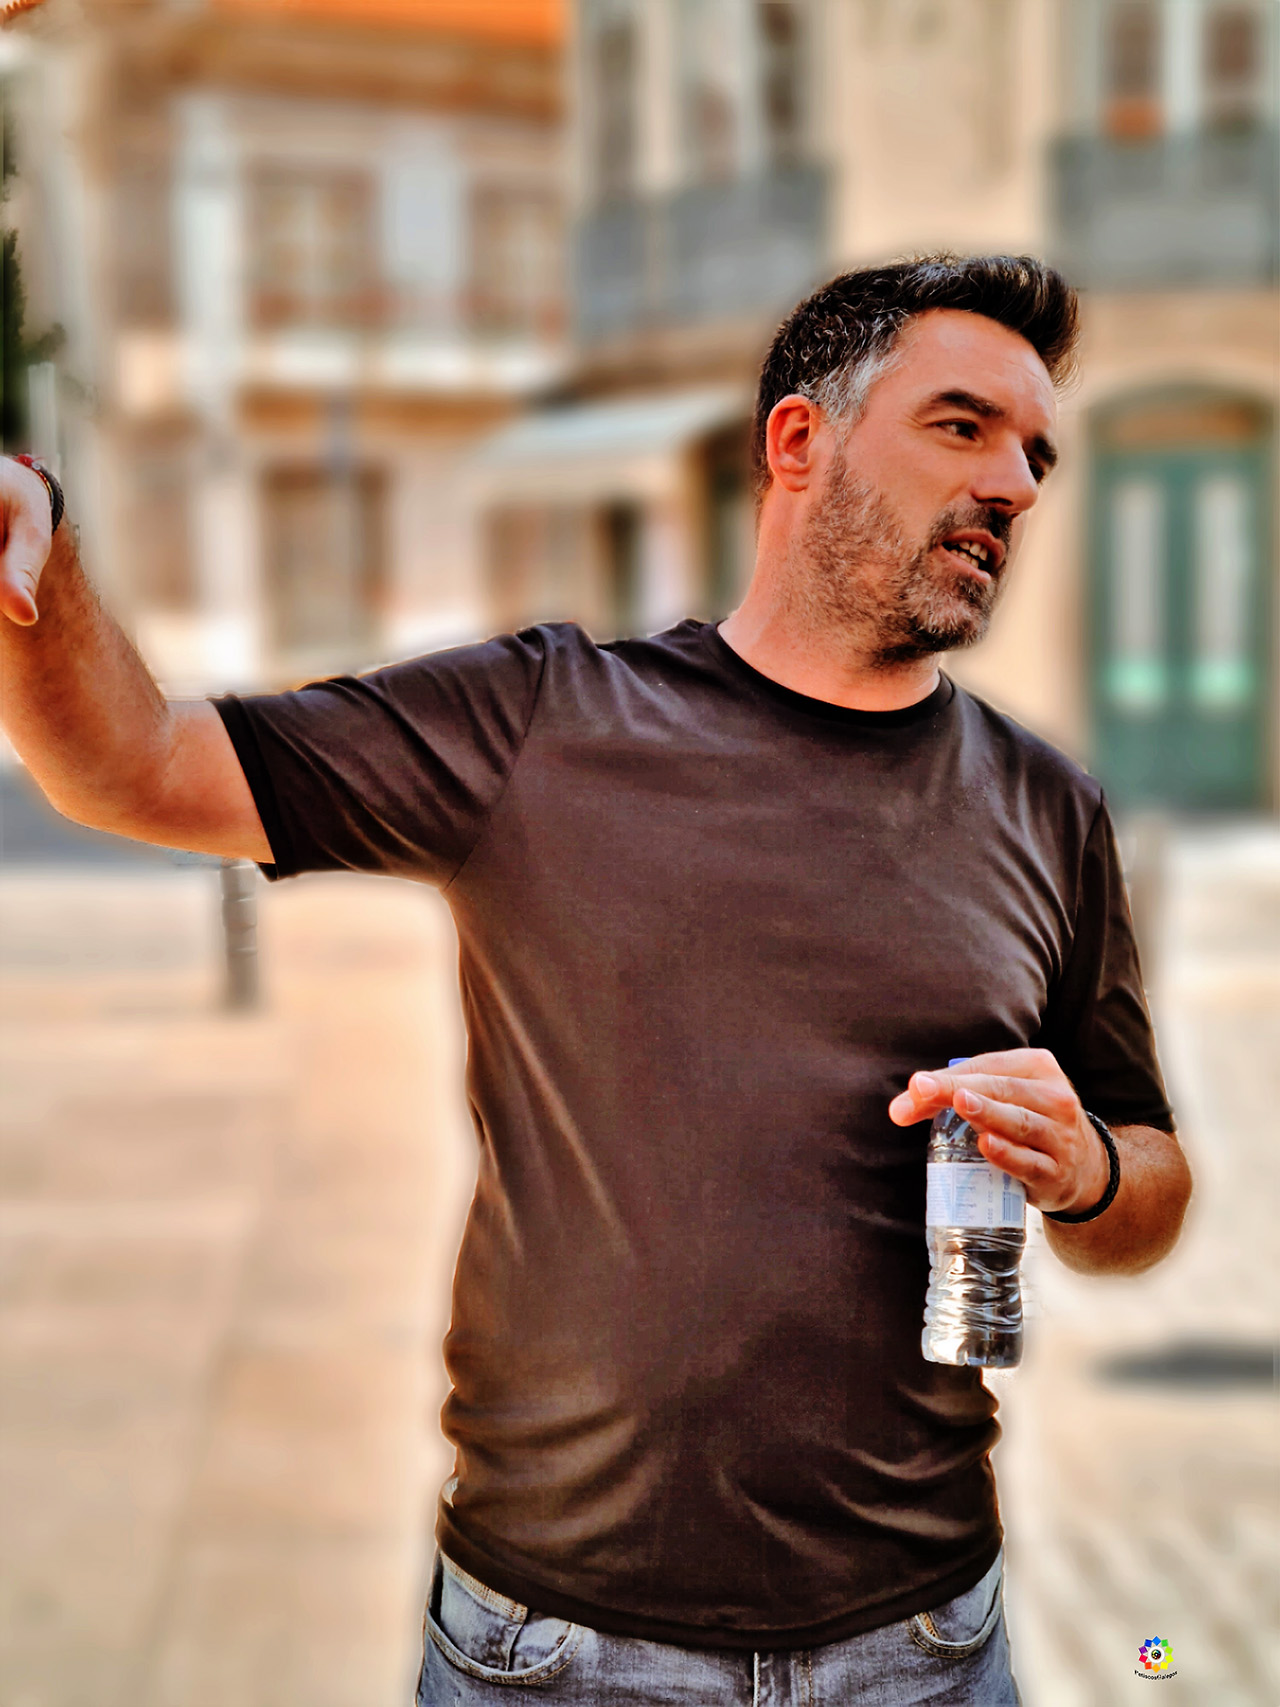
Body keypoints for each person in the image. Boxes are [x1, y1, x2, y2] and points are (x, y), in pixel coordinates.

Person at [0, 255, 1191, 1705]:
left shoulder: (1050, 808)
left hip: (927, 1646)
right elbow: (136, 766)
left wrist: (1088, 1172)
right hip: (557, 1652)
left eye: (1036, 455)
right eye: (962, 426)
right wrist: (34, 539)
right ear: (799, 443)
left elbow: (1149, 1187)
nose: (1012, 483)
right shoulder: (545, 722)